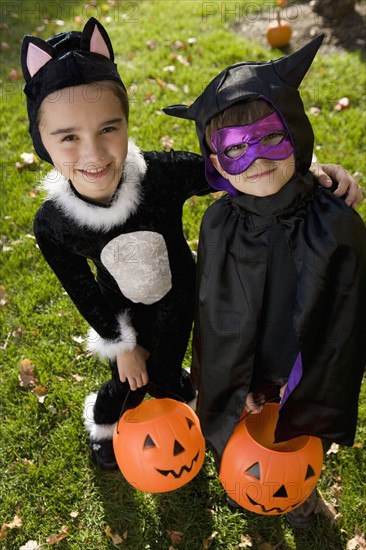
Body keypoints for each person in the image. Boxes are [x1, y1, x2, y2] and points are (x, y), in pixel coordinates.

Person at [21, 19, 362, 472]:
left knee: (168, 373)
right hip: (124, 315)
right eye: (67, 137)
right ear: (42, 143)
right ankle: (105, 425)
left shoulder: (158, 175)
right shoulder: (55, 223)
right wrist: (121, 344)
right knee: (129, 384)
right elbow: (79, 286)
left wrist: (314, 171)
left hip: (180, 304)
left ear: (126, 122)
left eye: (109, 128)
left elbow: (233, 163)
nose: (94, 154)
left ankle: (177, 400)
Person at [164, 35, 366, 528]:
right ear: (214, 162)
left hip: (302, 360)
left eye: (271, 136)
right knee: (251, 432)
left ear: (295, 130)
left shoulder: (335, 219)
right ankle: (246, 477)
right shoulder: (219, 225)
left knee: (297, 434)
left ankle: (298, 493)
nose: (254, 158)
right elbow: (213, 314)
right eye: (233, 148)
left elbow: (348, 314)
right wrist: (234, 381)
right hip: (248, 358)